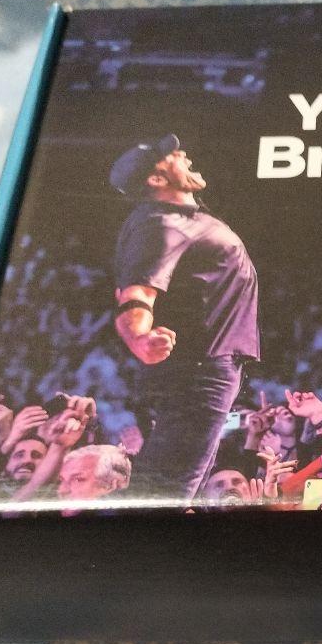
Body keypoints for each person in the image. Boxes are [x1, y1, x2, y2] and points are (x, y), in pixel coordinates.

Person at [110, 133, 260, 502]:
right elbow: (135, 295)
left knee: (176, 482)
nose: (182, 154)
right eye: (171, 155)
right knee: (169, 490)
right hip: (199, 370)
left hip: (207, 366)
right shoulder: (160, 223)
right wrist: (139, 338)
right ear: (156, 179)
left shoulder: (180, 219)